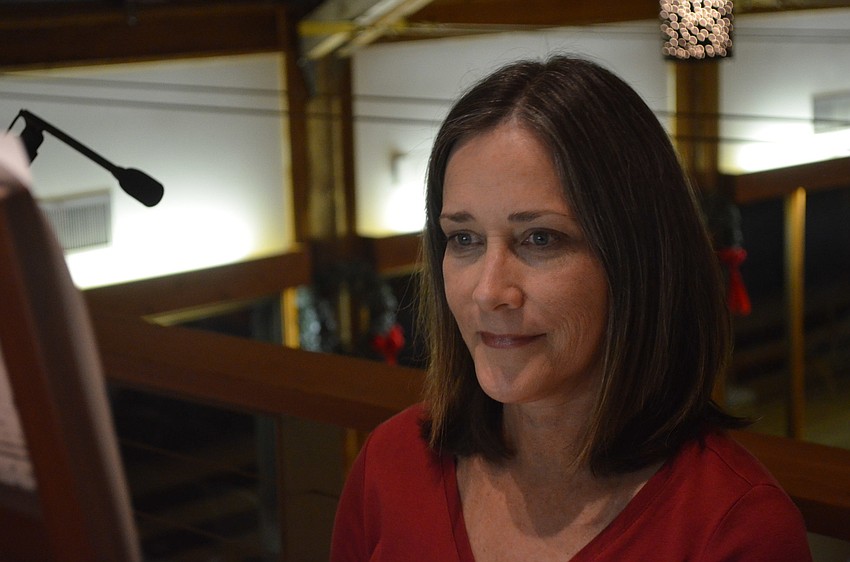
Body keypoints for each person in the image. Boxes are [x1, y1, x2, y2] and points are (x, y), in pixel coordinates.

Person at [330, 55, 812, 561]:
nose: (489, 291)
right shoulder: (393, 461)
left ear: (637, 260)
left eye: (540, 238)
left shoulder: (734, 529)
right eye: (464, 238)